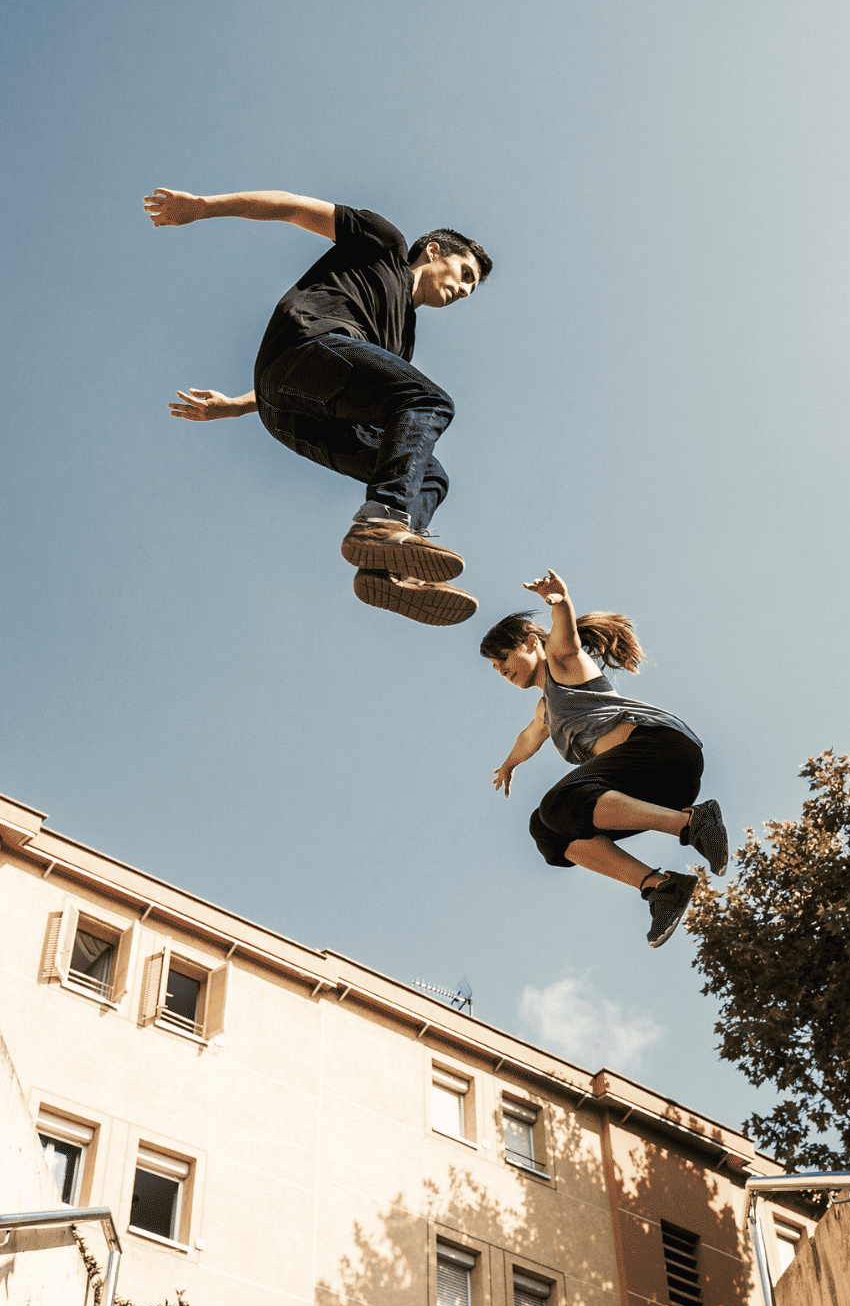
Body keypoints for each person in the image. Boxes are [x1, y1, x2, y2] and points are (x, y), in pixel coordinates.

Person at [147, 186, 490, 626]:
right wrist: (200, 209)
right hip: (304, 346)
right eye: (464, 274)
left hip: (293, 416)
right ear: (434, 251)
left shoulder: (400, 343)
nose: (464, 290)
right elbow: (292, 207)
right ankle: (383, 520)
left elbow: (341, 381)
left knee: (432, 475)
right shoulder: (385, 243)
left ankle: (388, 568)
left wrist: (236, 407)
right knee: (428, 401)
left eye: (472, 288)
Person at [482, 571, 728, 947]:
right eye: (497, 671)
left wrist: (560, 601)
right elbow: (529, 737)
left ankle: (693, 822)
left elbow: (566, 642)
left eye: (504, 659)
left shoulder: (561, 665)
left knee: (561, 802)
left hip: (664, 749)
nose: (503, 672)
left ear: (531, 642)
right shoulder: (545, 709)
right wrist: (509, 765)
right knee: (546, 831)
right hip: (654, 788)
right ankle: (662, 887)